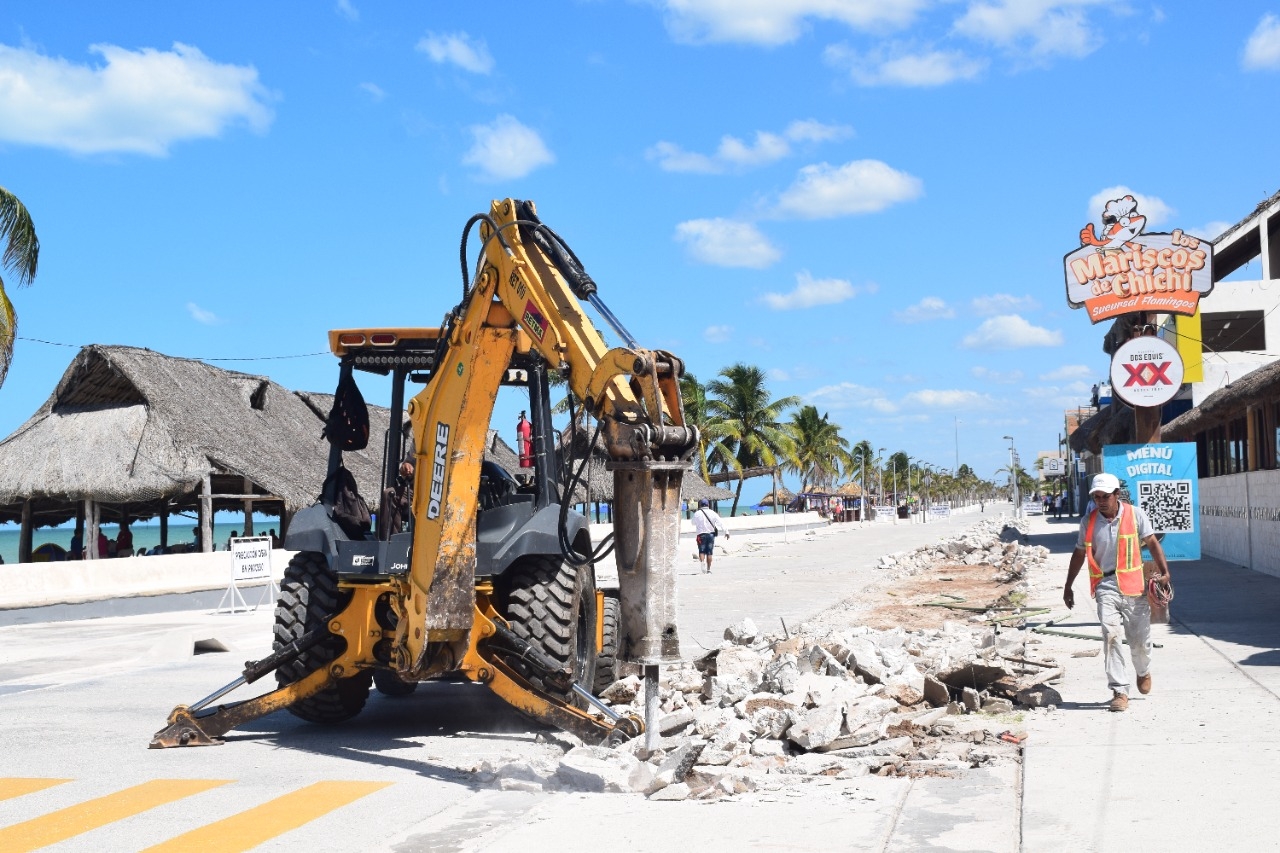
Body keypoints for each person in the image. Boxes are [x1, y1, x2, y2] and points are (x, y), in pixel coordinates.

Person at [1063, 473, 1171, 712]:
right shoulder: (1088, 522)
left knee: (1139, 641)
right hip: (1106, 585)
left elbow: (1152, 542)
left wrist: (1165, 573)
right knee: (1111, 636)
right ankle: (1119, 690)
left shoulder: (1135, 515)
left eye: (1106, 496)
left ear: (1116, 495)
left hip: (1135, 586)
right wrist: (1068, 585)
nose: (1101, 500)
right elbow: (1079, 554)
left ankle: (1143, 671)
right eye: (1097, 496)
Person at [691, 498, 728, 573]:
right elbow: (720, 523)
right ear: (708, 504)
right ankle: (708, 569)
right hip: (711, 535)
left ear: (700, 505)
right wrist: (726, 532)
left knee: (701, 551)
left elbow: (692, 523)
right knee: (709, 552)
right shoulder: (713, 513)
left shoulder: (697, 513)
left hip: (701, 535)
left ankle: (702, 564)